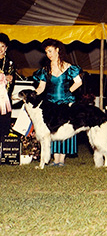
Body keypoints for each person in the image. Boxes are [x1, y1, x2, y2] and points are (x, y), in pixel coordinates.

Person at [33, 38, 82, 166]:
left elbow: (78, 82)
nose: (48, 54)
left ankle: (62, 159)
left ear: (57, 50)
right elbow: (41, 88)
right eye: (46, 52)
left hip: (66, 103)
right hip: (50, 104)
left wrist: (68, 92)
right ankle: (55, 159)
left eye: (50, 51)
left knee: (66, 130)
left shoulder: (69, 67)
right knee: (52, 130)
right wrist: (32, 96)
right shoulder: (45, 70)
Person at [0, 33, 15, 142]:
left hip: (5, 100)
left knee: (4, 123)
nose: (0, 49)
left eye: (2, 46)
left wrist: (10, 79)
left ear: (6, 48)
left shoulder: (10, 63)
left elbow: (12, 83)